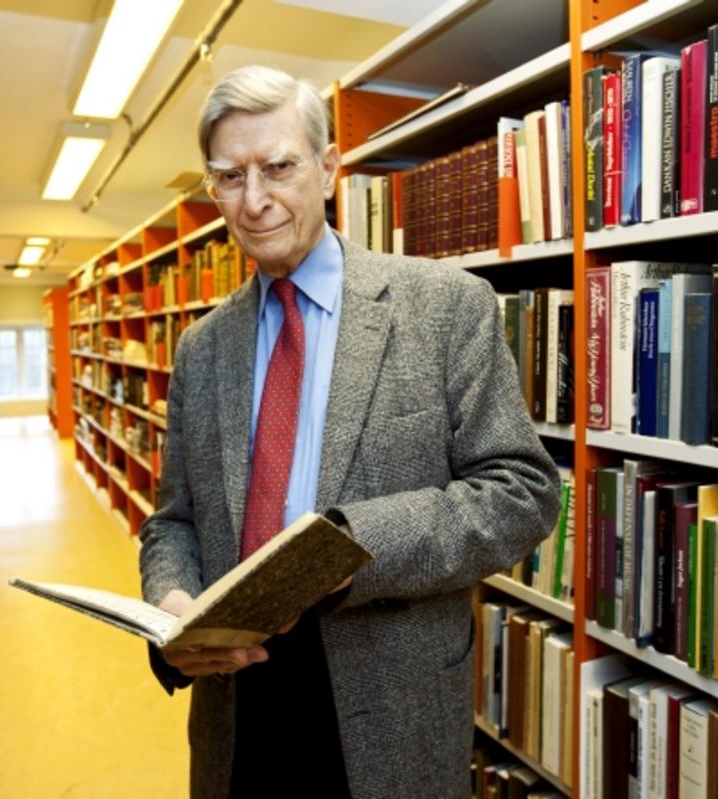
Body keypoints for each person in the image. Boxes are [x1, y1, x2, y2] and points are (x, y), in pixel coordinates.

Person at [139, 64, 562, 799]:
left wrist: (351, 544)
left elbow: (521, 493)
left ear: (330, 168)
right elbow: (174, 519)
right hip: (238, 709)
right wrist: (172, 598)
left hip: (390, 704)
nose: (257, 200)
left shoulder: (444, 309)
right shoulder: (201, 349)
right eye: (230, 177)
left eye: (278, 167)